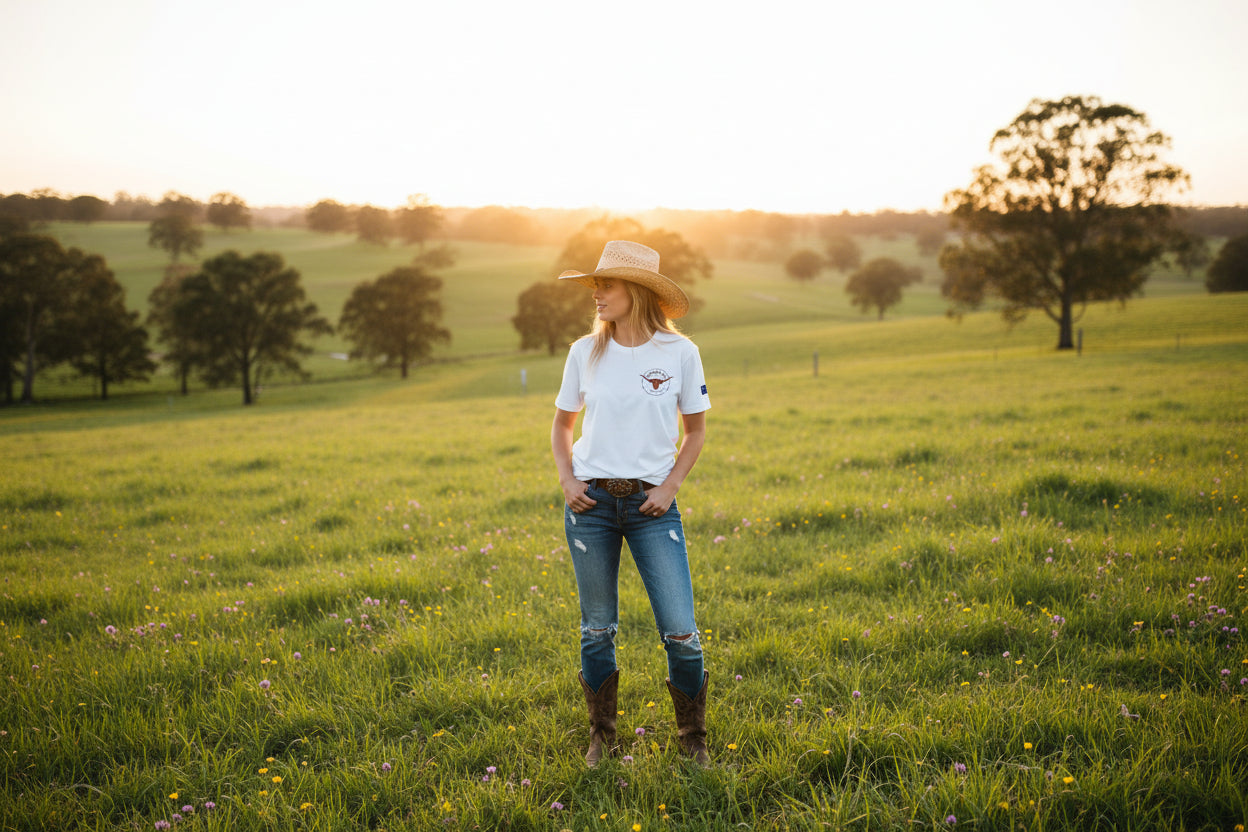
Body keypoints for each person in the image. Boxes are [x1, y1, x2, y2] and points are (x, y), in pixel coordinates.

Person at [551, 240, 712, 767]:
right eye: (595, 285)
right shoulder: (584, 351)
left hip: (652, 508)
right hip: (591, 505)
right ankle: (602, 734)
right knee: (597, 630)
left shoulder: (680, 354)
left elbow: (695, 432)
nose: (596, 294)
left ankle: (693, 738)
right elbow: (561, 424)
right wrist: (567, 480)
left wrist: (669, 488)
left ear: (638, 291)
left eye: (607, 284)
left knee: (681, 632)